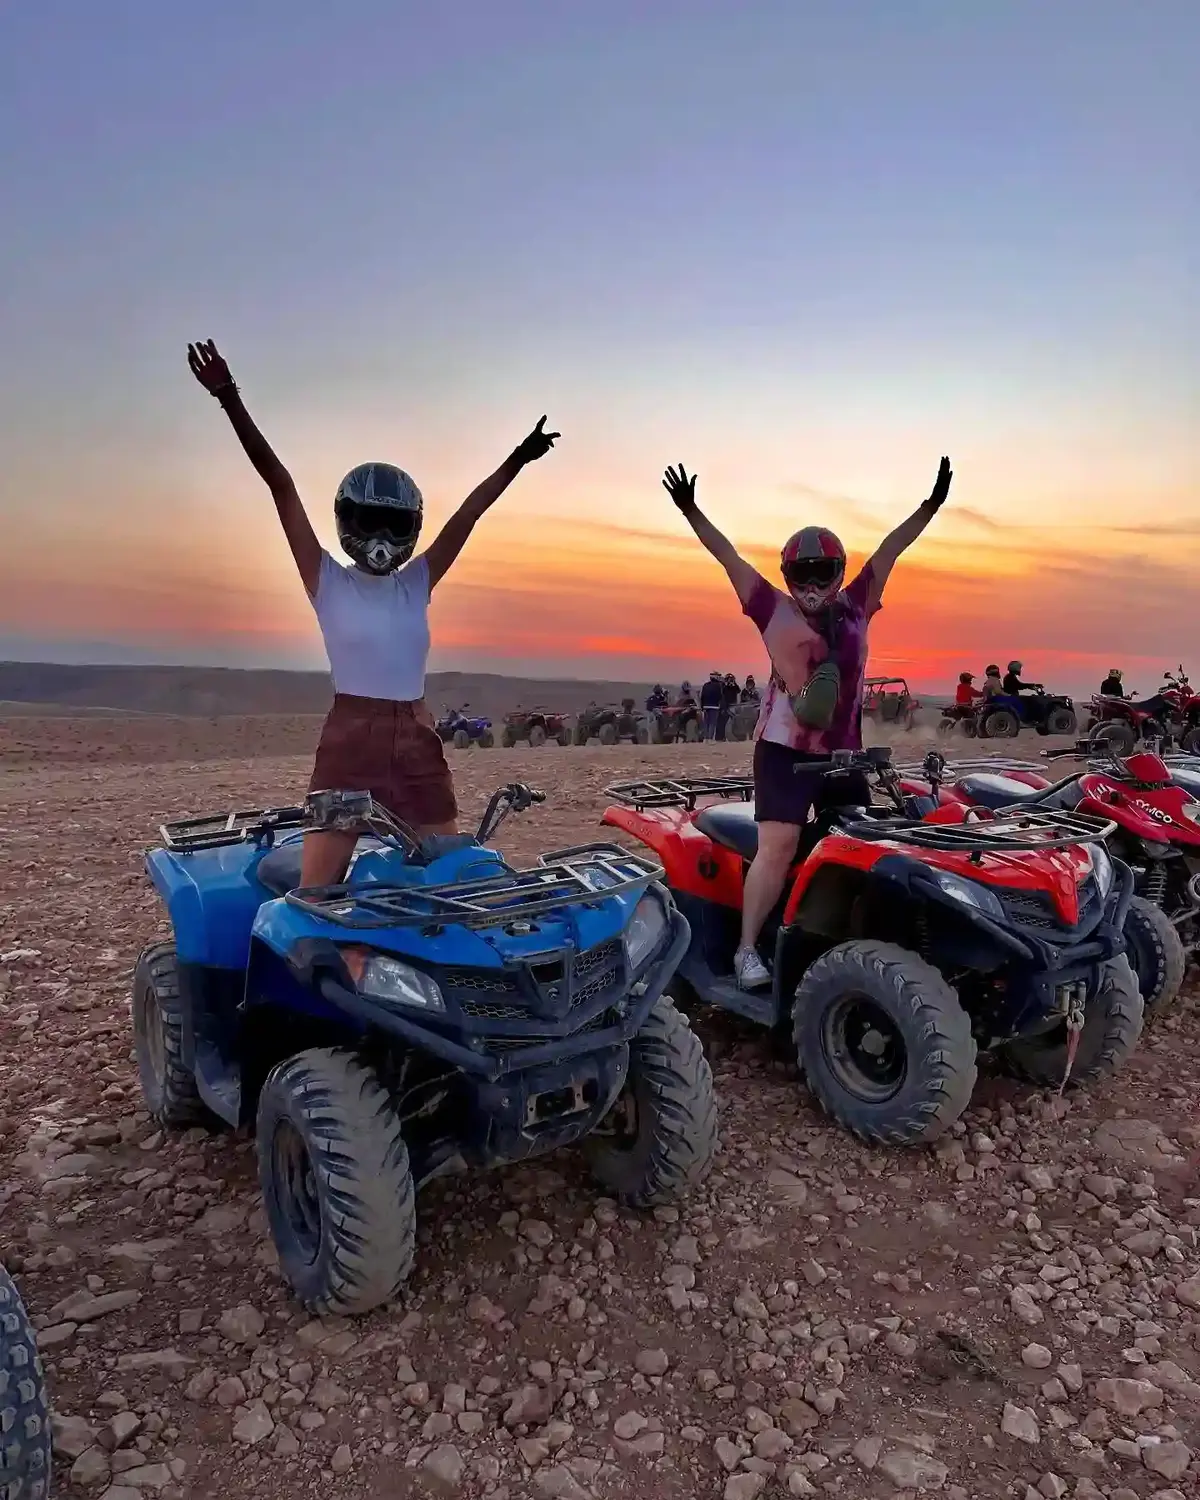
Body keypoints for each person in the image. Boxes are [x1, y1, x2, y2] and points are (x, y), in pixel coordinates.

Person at [187, 338, 558, 887]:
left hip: (417, 741)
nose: (382, 538)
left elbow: (469, 513)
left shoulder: (417, 582)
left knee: (450, 880)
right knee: (318, 895)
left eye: (394, 525)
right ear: (346, 520)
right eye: (369, 522)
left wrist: (517, 460)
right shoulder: (326, 579)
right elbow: (281, 486)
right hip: (350, 742)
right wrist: (228, 397)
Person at [664, 455, 953, 988]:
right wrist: (692, 511)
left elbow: (891, 549)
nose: (814, 582)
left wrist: (929, 507)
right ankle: (747, 950)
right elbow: (726, 556)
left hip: (843, 751)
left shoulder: (857, 605)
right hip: (784, 749)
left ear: (839, 572)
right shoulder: (771, 609)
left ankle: (837, 939)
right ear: (787, 575)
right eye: (804, 571)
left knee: (859, 842)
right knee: (778, 844)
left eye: (824, 570)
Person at [700, 671, 724, 740]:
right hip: (714, 707)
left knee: (706, 723)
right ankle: (710, 738)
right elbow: (720, 696)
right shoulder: (718, 686)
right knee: (712, 723)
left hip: (705, 706)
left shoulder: (705, 685)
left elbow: (702, 696)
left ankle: (705, 737)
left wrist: (702, 706)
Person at [718, 673, 740, 740]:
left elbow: (738, 690)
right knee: (723, 722)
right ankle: (722, 737)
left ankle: (730, 737)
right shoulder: (724, 687)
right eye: (729, 679)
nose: (730, 681)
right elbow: (722, 695)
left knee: (731, 722)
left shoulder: (734, 687)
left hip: (733, 706)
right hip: (725, 706)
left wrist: (734, 683)